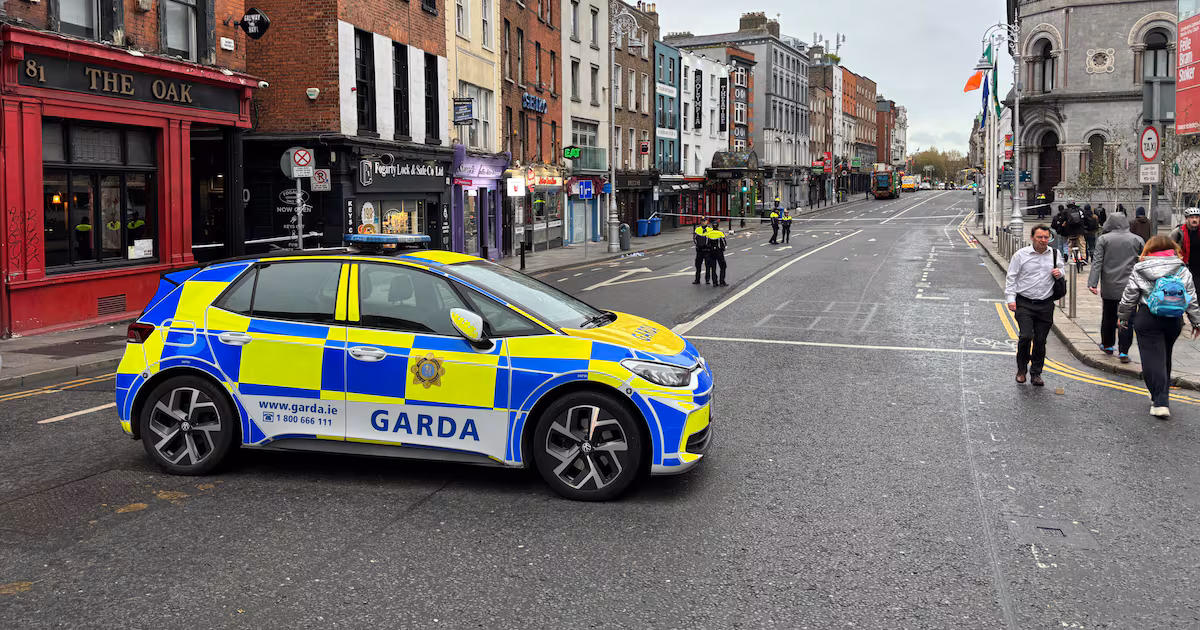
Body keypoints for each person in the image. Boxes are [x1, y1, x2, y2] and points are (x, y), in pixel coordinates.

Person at [1117, 235, 1200, 419]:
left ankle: (1160, 402)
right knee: (1164, 357)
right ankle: (1159, 394)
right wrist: (1196, 321)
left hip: (1148, 317)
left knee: (1151, 360)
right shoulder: (1181, 268)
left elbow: (1130, 295)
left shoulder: (1141, 268)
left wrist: (1123, 317)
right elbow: (1191, 297)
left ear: (1149, 249)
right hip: (1174, 319)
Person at [1005, 224, 1065, 387]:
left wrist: (1059, 272)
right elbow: (1011, 277)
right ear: (1032, 237)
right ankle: (1021, 370)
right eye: (1040, 237)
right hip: (1024, 302)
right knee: (1025, 336)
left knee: (1040, 341)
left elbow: (1062, 269)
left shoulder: (1055, 253)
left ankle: (1036, 373)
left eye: (1046, 237)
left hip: (1045, 304)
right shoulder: (1021, 255)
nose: (1043, 240)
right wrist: (1011, 299)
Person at [1087, 214, 1144, 363]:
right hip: (1130, 287)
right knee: (1127, 319)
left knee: (1109, 316)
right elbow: (1143, 263)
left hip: (1109, 285)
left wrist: (1093, 282)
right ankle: (1124, 351)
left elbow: (1097, 262)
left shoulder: (1104, 239)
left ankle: (1107, 345)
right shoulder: (1137, 240)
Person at [1169, 207, 1200, 279]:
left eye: (1197, 217)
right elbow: (1168, 245)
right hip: (1184, 267)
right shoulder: (1179, 232)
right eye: (1192, 217)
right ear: (1186, 219)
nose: (1194, 220)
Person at [692, 218, 711, 285]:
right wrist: (698, 245)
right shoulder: (697, 229)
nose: (702, 222)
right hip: (699, 250)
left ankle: (707, 280)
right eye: (702, 221)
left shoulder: (710, 229)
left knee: (708, 266)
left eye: (704, 221)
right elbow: (694, 238)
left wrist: (708, 245)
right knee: (698, 266)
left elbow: (711, 239)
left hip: (707, 250)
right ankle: (697, 279)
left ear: (707, 222)